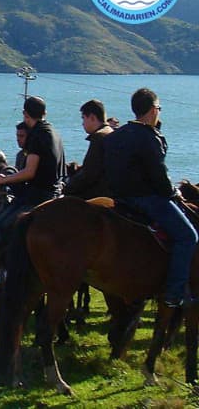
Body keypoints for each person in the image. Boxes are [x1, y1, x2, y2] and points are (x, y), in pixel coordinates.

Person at [104, 88, 197, 307]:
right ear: (154, 109)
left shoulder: (115, 136)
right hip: (147, 199)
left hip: (120, 199)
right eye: (159, 109)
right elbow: (159, 177)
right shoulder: (149, 138)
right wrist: (174, 193)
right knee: (187, 236)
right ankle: (174, 293)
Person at [0, 96, 67, 284]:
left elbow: (29, 172)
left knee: (0, 222)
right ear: (44, 113)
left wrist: (4, 179)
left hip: (38, 195)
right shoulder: (53, 132)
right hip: (56, 192)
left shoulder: (37, 135)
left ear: (25, 114)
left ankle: (6, 269)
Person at [63, 99, 112, 199]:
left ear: (92, 117)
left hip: (97, 194)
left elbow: (89, 175)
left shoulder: (99, 137)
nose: (82, 123)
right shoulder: (110, 132)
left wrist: (66, 188)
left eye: (83, 118)